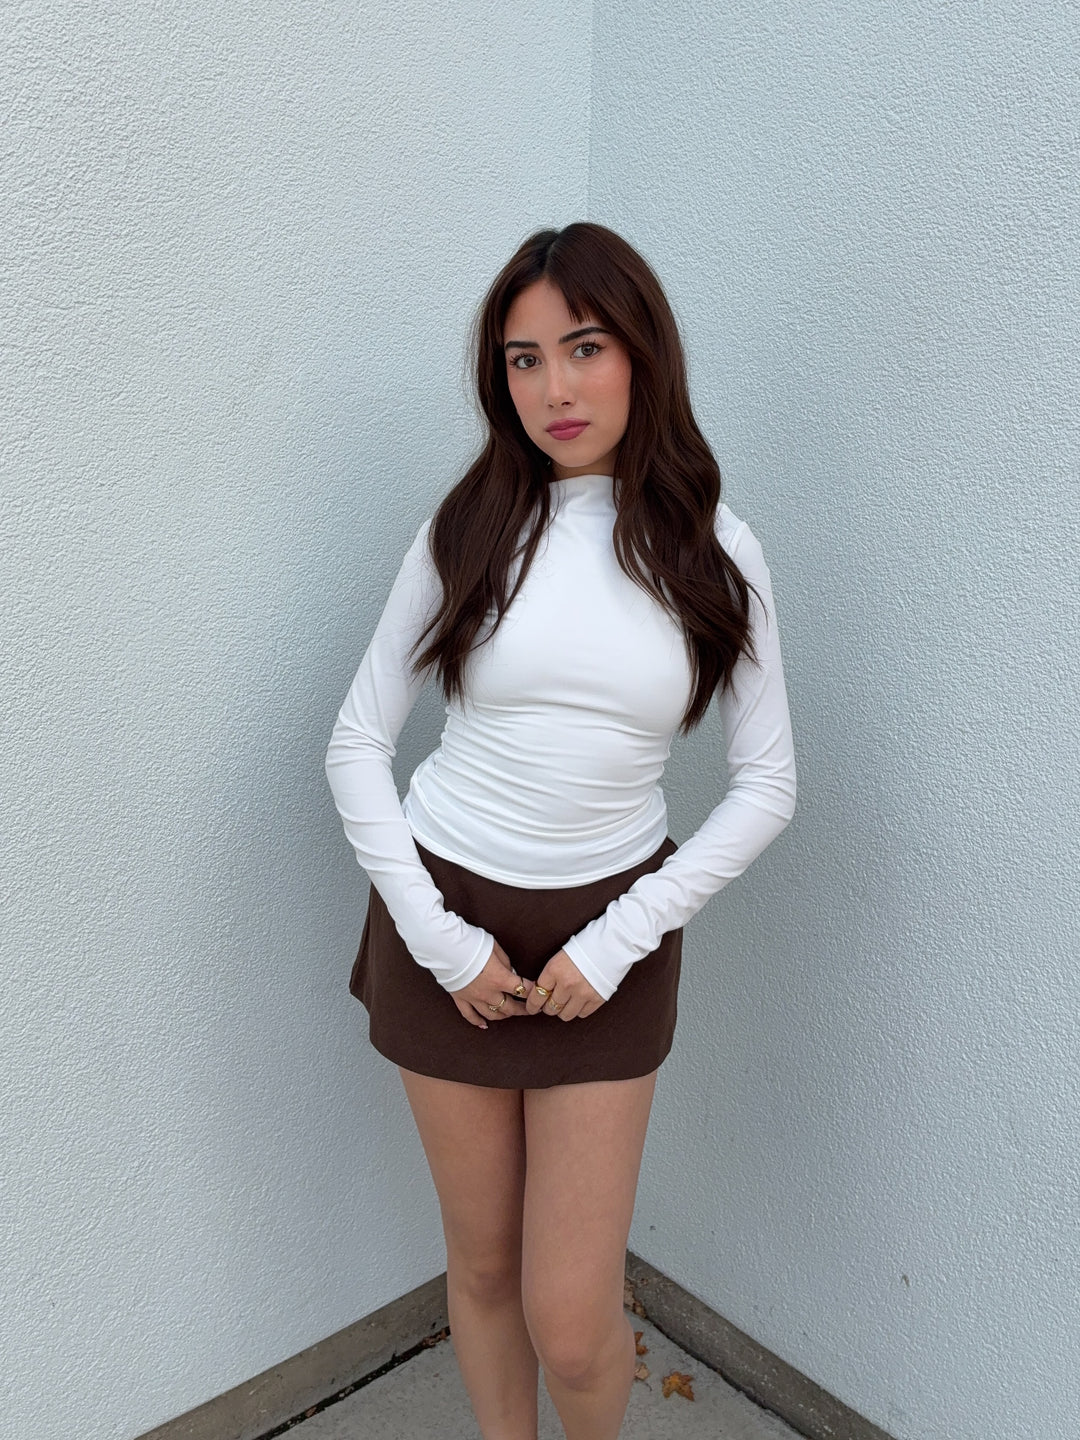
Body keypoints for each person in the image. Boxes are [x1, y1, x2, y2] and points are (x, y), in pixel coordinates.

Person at [324, 221, 796, 1440]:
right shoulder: (471, 527)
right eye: (523, 359)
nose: (554, 387)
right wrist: (440, 943)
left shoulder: (716, 553)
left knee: (573, 1313)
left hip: (610, 936)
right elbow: (356, 745)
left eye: (582, 347)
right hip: (447, 921)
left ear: (642, 353)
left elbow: (766, 786)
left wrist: (619, 939)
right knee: (479, 1272)